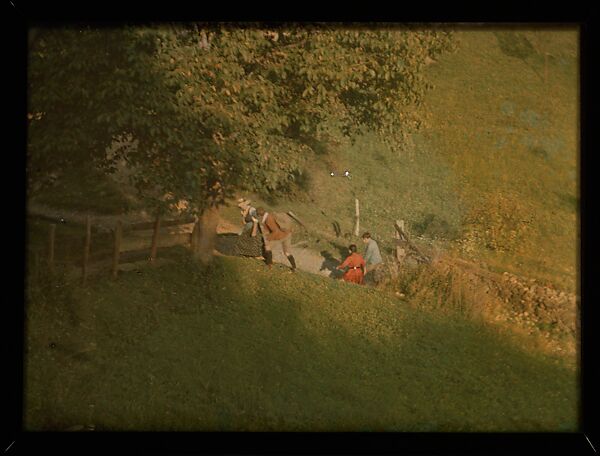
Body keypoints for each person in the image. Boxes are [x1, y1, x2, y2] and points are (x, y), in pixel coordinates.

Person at [255, 207, 297, 272]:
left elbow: (275, 231)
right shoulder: (270, 215)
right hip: (287, 234)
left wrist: (268, 237)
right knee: (287, 252)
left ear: (259, 214)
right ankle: (294, 267)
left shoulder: (268, 219)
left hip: (280, 235)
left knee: (267, 246)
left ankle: (269, 264)